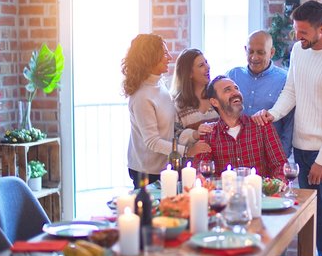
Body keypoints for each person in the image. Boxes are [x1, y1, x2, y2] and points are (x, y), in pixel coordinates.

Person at [252, 0, 322, 256]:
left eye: (304, 32)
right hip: (302, 150)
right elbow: (291, 91)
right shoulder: (299, 50)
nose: (298, 37)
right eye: (296, 31)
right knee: (313, 217)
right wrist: (273, 114)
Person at [121, 34, 210, 188]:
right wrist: (188, 151)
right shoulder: (142, 97)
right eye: (164, 53)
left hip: (164, 166)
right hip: (146, 170)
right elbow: (152, 141)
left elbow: (169, 129)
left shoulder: (159, 85)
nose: (169, 57)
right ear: (150, 57)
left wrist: (194, 135)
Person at [194, 75, 287, 180]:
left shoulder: (261, 126)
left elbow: (280, 165)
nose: (235, 92)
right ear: (214, 102)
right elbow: (202, 171)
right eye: (227, 90)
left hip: (260, 194)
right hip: (224, 194)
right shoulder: (209, 134)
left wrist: (276, 185)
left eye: (236, 88)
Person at [227, 30, 294, 158]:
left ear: (272, 52)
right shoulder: (232, 76)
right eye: (250, 51)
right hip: (235, 152)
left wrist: (281, 157)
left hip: (268, 155)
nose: (254, 57)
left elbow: (289, 125)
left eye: (260, 52)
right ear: (245, 49)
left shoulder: (285, 80)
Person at [171, 48, 219, 146]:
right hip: (192, 159)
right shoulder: (178, 104)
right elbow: (175, 136)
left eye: (206, 62)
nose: (208, 67)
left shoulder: (217, 97)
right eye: (201, 65)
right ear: (189, 73)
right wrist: (195, 134)